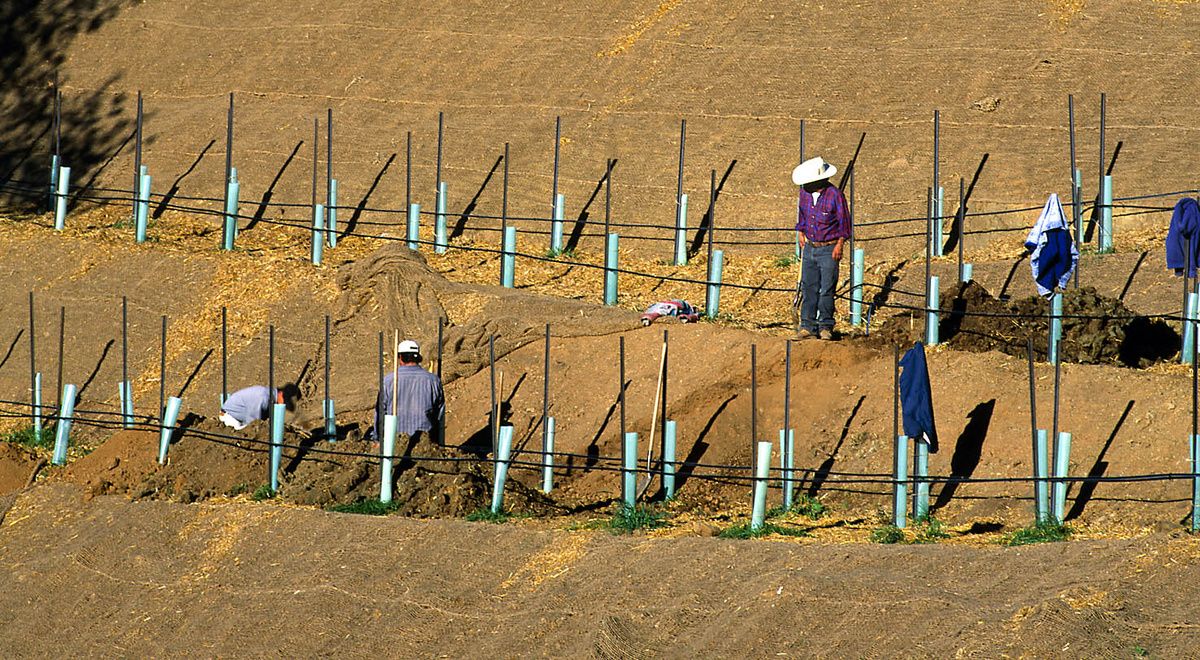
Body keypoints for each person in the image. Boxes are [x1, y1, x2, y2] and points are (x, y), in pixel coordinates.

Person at [792, 156, 851, 340]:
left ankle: (825, 325)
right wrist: (801, 231)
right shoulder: (804, 194)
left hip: (829, 248)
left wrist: (839, 244)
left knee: (826, 288)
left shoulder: (835, 196)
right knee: (808, 286)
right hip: (810, 246)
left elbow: (844, 223)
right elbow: (802, 215)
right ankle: (807, 326)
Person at [374, 339, 445, 443]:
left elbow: (380, 412)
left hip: (394, 442)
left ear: (400, 357)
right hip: (425, 442)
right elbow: (440, 413)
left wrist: (377, 438)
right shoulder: (433, 381)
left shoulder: (389, 380)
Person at [219, 383, 301, 430]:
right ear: (281, 394)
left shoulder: (270, 395)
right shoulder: (264, 398)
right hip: (230, 418)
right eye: (285, 402)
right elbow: (254, 424)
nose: (283, 405)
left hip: (238, 417)